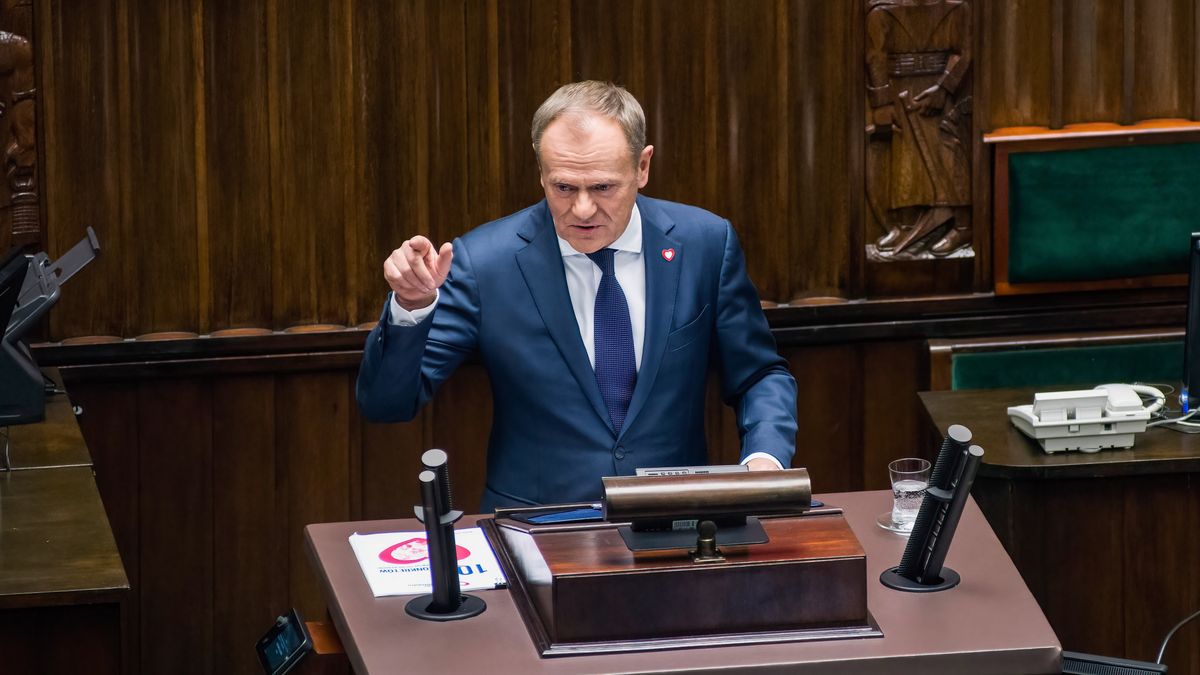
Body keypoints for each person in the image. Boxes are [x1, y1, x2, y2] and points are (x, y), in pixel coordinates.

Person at [357, 81, 798, 511]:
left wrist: (764, 459)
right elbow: (387, 404)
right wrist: (411, 309)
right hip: (537, 529)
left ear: (642, 167)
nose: (583, 209)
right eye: (564, 187)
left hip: (675, 521)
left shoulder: (704, 244)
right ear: (541, 172)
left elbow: (758, 374)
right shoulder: (484, 263)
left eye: (603, 187)